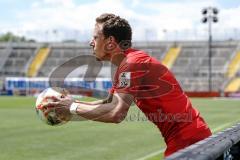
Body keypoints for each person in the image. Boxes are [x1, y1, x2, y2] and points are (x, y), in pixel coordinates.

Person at [43, 13, 212, 157]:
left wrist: (72, 107)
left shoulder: (132, 64)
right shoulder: (128, 64)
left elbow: (116, 114)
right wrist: (69, 105)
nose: (90, 42)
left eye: (95, 37)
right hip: (190, 138)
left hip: (188, 141)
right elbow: (109, 103)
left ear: (110, 41)